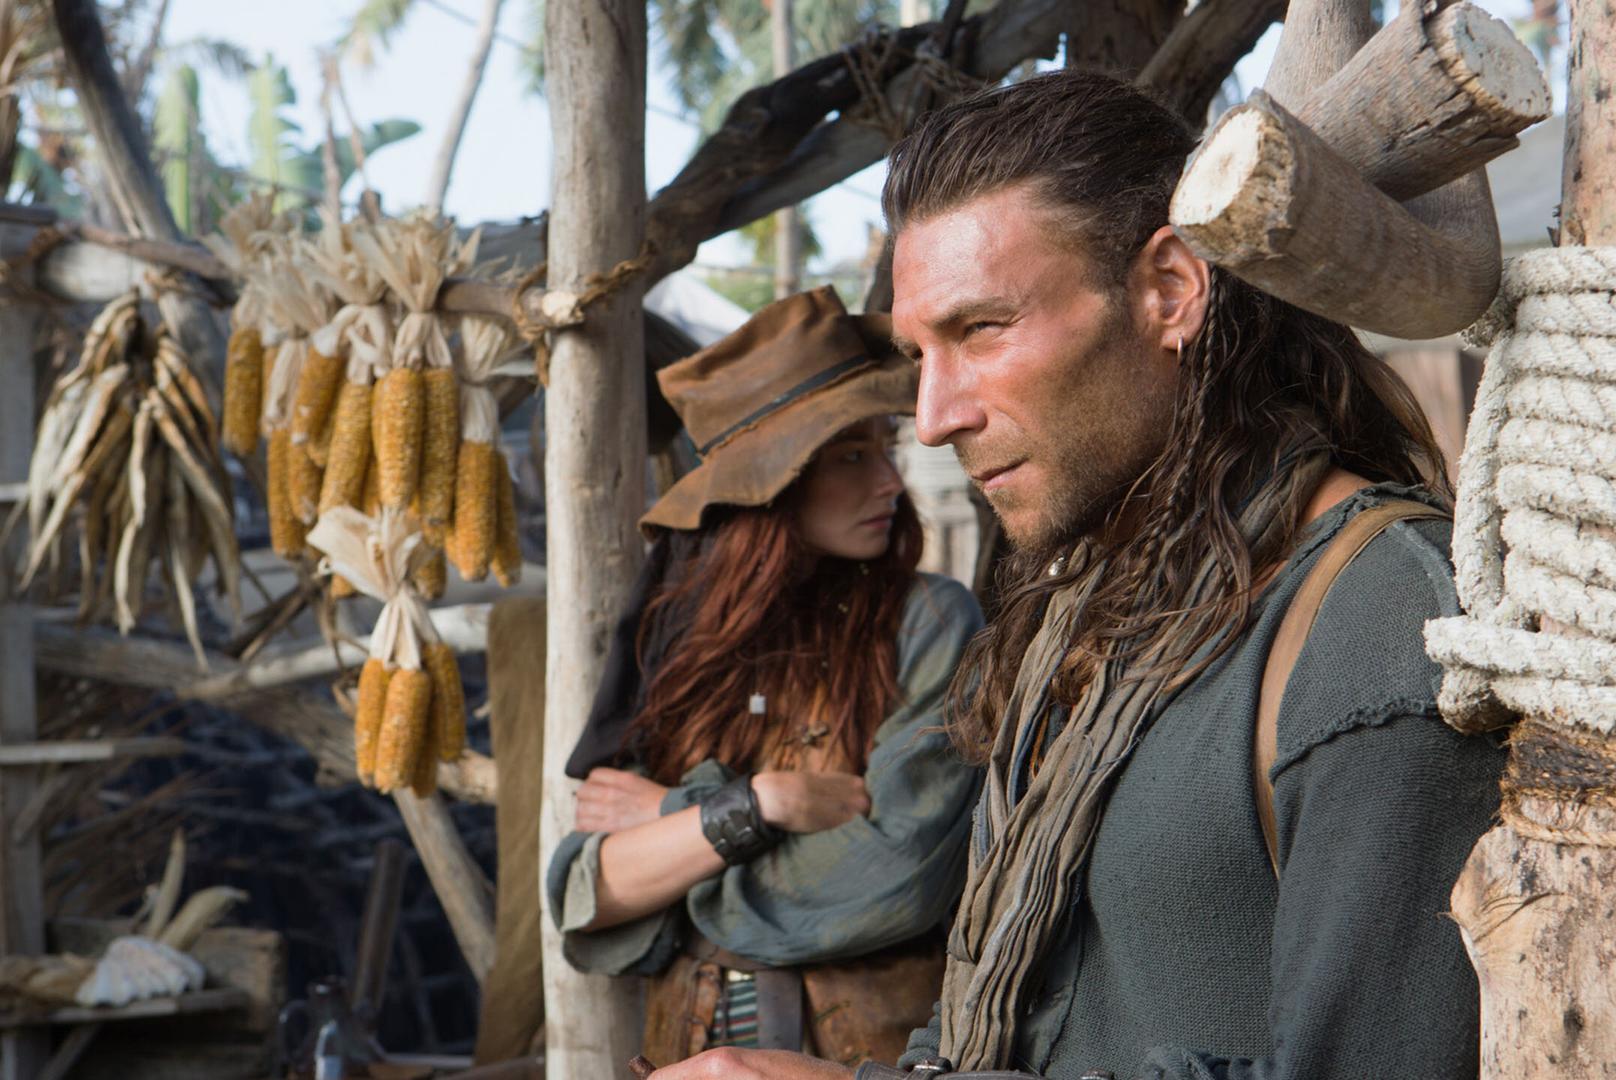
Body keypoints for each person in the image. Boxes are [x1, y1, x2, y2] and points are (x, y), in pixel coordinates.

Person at [646, 71, 1506, 1080]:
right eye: (920, 354)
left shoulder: (1376, 624)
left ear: (1169, 290)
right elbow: (995, 1014)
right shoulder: (1086, 607)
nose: (934, 417)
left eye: (980, 329)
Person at [545, 286, 985, 1068]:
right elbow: (584, 891)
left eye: (883, 448)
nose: (891, 481)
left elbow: (897, 877)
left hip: (856, 1062)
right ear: (771, 488)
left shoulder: (928, 622)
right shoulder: (682, 639)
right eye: (852, 456)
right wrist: (759, 804)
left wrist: (675, 833)